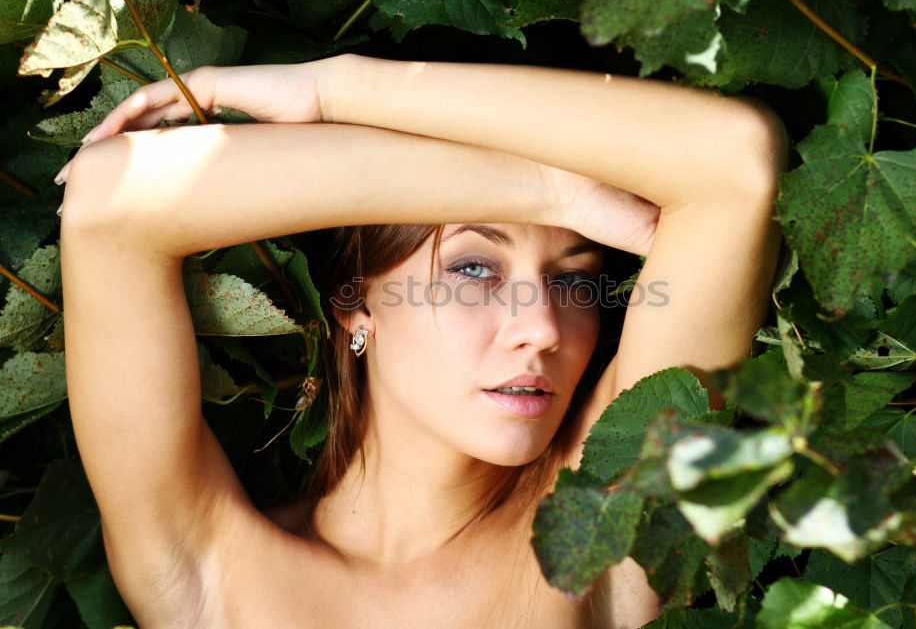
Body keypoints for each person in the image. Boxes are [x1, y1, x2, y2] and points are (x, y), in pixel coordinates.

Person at [58, 54, 785, 627]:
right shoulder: (212, 567)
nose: (541, 327)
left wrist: (332, 90)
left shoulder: (603, 536)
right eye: (475, 267)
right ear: (354, 307)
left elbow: (734, 161)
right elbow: (107, 203)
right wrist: (544, 189)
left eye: (573, 282)